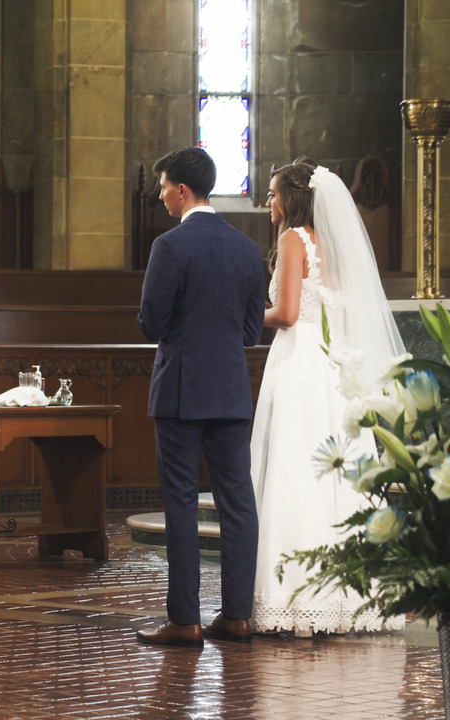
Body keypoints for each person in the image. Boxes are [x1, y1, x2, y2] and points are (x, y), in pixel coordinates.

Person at [249, 158, 407, 636]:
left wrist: (248, 312)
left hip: (299, 366)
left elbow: (290, 313)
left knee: (295, 474)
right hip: (334, 370)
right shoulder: (336, 246)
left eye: (274, 194)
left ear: (292, 198)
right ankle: (350, 598)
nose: (269, 202)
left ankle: (295, 597)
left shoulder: (294, 239)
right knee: (338, 481)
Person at [136, 148, 266, 648]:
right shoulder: (247, 248)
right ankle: (237, 616)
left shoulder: (169, 246)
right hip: (231, 389)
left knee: (182, 503)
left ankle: (185, 621)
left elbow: (152, 324)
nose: (161, 195)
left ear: (183, 190)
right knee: (238, 502)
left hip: (181, 392)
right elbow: (252, 330)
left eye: (164, 186)